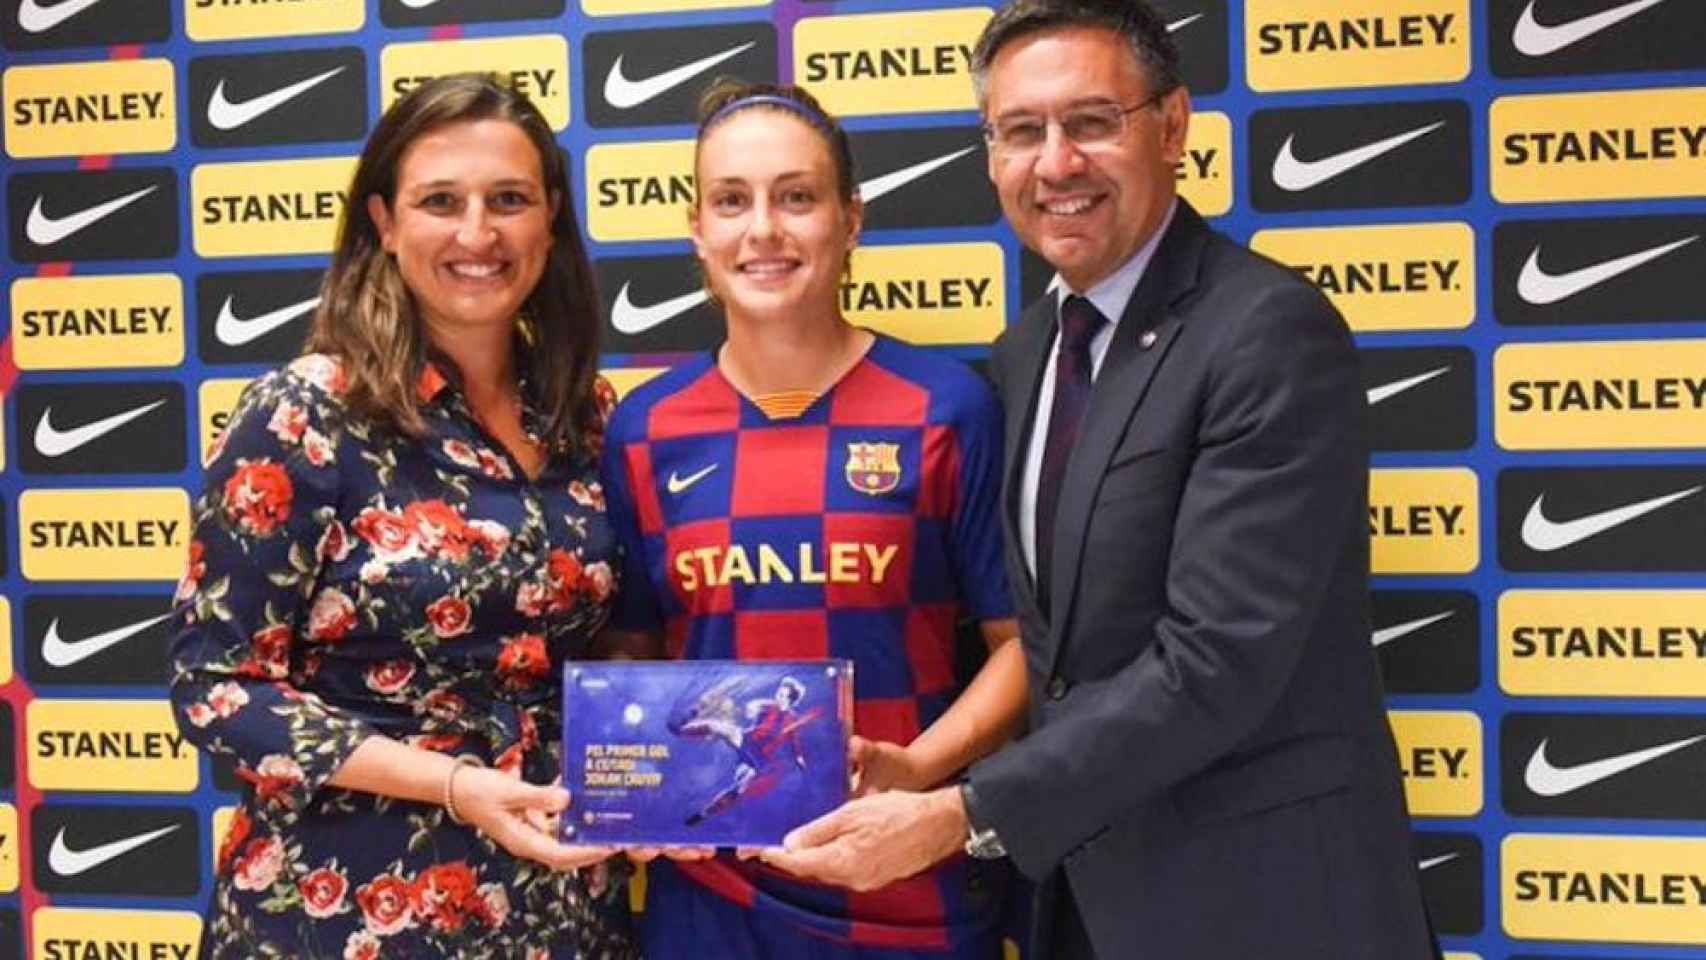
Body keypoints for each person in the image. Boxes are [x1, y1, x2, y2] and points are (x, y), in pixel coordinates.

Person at [765, 2, 1441, 957]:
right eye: (1019, 132)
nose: (1055, 164)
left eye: (1090, 122)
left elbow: (1219, 659)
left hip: (1264, 903)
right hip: (1080, 897)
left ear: (1171, 127)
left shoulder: (1267, 334)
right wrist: (920, 766)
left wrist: (963, 812)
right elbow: (1051, 649)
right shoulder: (1025, 350)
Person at [168, 73, 636, 959]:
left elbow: (612, 653)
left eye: (508, 200)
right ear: (383, 223)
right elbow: (215, 687)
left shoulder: (586, 415)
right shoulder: (304, 414)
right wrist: (456, 785)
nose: (477, 234)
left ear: (551, 217)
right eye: (439, 202)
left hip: (564, 909)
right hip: (344, 913)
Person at [598, 79, 1027, 958]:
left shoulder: (945, 407)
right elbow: (633, 654)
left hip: (904, 887)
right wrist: (623, 778)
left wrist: (917, 769)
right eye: (732, 201)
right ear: (697, 231)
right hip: (709, 898)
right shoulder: (645, 429)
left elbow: (1020, 647)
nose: (764, 229)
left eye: (796, 197)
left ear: (849, 218)